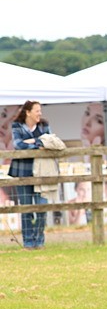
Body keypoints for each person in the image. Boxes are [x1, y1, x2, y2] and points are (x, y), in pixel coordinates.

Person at [8, 100, 51, 248]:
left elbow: (49, 142)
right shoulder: (16, 126)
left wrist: (32, 142)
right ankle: (28, 242)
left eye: (40, 110)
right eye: (37, 110)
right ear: (28, 112)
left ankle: (39, 240)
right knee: (26, 208)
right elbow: (18, 145)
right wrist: (37, 143)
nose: (40, 113)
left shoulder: (44, 126)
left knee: (41, 207)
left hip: (41, 172)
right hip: (22, 172)